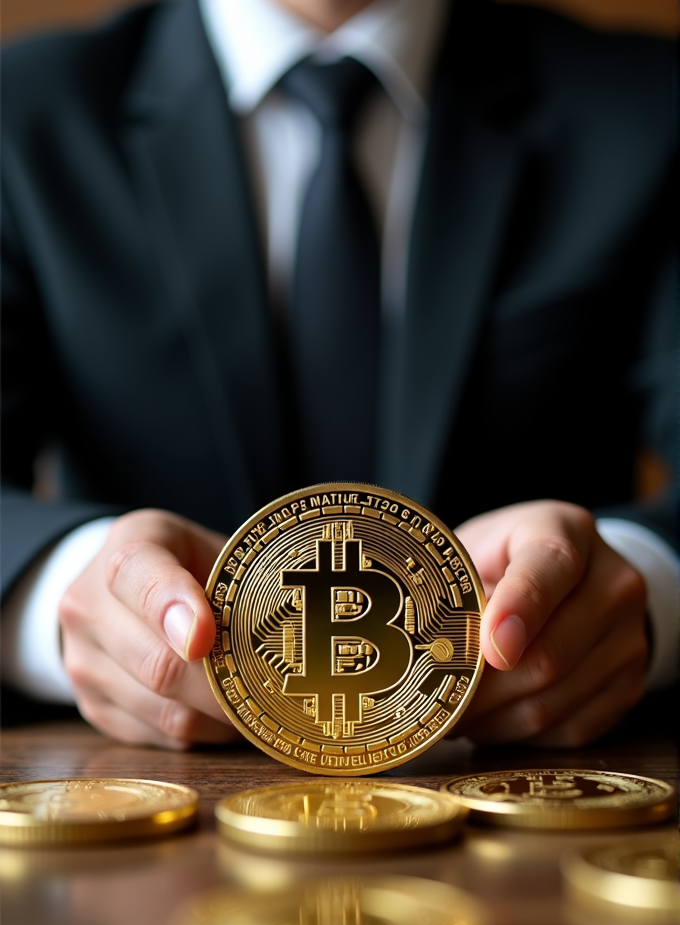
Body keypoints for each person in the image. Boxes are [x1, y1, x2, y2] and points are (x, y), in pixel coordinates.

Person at [2, 0, 677, 749]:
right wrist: (61, 603)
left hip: (524, 774)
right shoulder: (24, 111)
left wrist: (643, 590)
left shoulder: (648, 106)